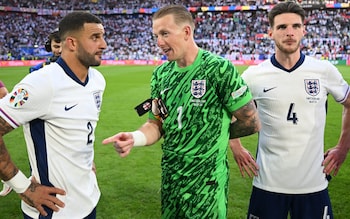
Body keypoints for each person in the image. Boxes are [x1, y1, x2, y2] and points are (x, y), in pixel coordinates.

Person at [102, 4, 260, 219]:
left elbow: (250, 120)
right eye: (156, 35)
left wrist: (216, 137)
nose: (159, 42)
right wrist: (135, 138)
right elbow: (155, 123)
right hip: (171, 180)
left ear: (186, 32)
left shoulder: (219, 69)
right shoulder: (161, 74)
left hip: (206, 184)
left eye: (165, 33)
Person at [230, 2, 350, 219]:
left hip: (314, 185)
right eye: (282, 27)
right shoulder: (254, 76)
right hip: (267, 184)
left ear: (304, 30)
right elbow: (226, 111)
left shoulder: (324, 71)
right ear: (270, 32)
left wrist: (343, 147)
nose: (290, 32)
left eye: (295, 26)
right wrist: (236, 146)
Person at [0, 11, 107, 219]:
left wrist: (86, 160)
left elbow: (81, 128)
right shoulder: (41, 83)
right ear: (72, 43)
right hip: (53, 210)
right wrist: (23, 186)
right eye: (95, 37)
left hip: (89, 199)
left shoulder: (98, 80)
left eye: (103, 37)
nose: (103, 44)